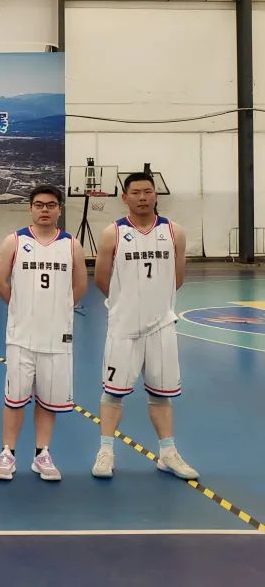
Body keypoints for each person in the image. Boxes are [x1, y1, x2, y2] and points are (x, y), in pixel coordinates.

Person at [91, 172, 198, 480]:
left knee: (161, 393)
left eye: (147, 191)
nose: (142, 197)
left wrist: (154, 304)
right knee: (113, 392)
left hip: (161, 325)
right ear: (124, 197)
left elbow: (177, 278)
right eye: (136, 192)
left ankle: (168, 453)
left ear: (155, 195)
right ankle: (106, 451)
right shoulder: (112, 233)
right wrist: (127, 305)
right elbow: (102, 279)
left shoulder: (174, 232)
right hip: (123, 327)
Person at [0, 185, 87, 481]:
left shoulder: (71, 244)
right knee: (15, 399)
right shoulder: (15, 241)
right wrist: (20, 307)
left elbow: (80, 284)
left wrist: (60, 310)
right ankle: (7, 453)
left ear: (59, 209)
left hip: (57, 338)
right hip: (21, 337)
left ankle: (42, 454)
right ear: (30, 208)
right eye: (39, 205)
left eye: (51, 205)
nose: (45, 210)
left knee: (48, 400)